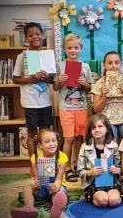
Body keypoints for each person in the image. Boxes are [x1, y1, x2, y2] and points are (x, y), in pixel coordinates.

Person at [13, 22, 54, 178]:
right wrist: (31, 79)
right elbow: (15, 79)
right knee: (32, 133)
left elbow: (52, 80)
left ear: (42, 36)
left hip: (45, 101)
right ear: (26, 38)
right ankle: (33, 166)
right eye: (31, 35)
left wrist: (47, 77)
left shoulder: (48, 55)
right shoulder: (21, 57)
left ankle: (46, 164)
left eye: (38, 33)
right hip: (30, 101)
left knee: (45, 134)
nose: (35, 37)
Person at [53, 33, 92, 182]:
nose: (73, 50)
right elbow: (56, 88)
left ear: (81, 48)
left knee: (80, 138)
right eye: (69, 48)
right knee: (68, 138)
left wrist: (84, 83)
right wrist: (60, 81)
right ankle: (67, 168)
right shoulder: (60, 66)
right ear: (64, 49)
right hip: (66, 108)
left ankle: (79, 165)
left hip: (81, 108)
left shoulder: (85, 67)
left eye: (76, 47)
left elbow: (89, 88)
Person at [10, 129, 68, 218]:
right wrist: (36, 183)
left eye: (54, 141)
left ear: (57, 142)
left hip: (56, 187)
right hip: (42, 188)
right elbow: (37, 177)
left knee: (60, 194)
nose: (52, 144)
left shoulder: (62, 157)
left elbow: (59, 179)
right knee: (27, 187)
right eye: (47, 142)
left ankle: (56, 210)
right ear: (41, 145)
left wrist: (56, 186)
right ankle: (29, 208)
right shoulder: (35, 157)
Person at [77, 114, 123, 207]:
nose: (97, 130)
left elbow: (119, 166)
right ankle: (92, 197)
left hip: (111, 181)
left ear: (107, 129)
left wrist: (117, 170)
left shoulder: (113, 145)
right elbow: (79, 171)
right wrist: (89, 172)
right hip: (93, 182)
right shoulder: (85, 147)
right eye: (93, 128)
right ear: (90, 131)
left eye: (100, 126)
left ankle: (106, 197)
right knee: (103, 201)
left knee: (114, 201)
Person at [91, 51, 123, 140]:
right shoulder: (99, 84)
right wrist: (104, 97)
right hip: (107, 120)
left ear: (121, 65)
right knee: (111, 137)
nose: (114, 66)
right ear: (104, 65)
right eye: (110, 63)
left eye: (116, 63)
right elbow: (96, 109)